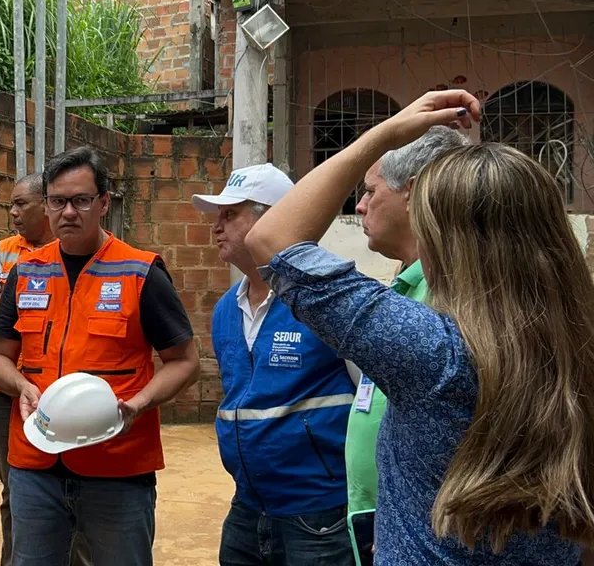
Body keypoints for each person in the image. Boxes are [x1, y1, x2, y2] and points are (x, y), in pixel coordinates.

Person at [245, 89, 594, 564]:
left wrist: (385, 134)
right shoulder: (577, 346)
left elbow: (272, 239)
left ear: (449, 241)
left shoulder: (434, 351)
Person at [0, 146, 199, 566]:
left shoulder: (140, 272)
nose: (68, 212)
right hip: (36, 464)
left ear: (103, 203)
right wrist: (21, 385)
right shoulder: (25, 273)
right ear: (46, 205)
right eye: (57, 201)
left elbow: (185, 361)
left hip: (117, 467)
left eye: (81, 200)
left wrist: (139, 403)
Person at [191, 163, 355, 565]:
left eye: (230, 214)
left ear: (274, 219)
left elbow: (373, 400)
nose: (216, 227)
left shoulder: (322, 299)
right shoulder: (226, 309)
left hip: (319, 513)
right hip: (247, 507)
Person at [346, 126, 467, 563]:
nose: (360, 205)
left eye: (370, 190)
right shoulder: (404, 284)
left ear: (413, 193)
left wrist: (385, 134)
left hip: (420, 533)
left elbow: (275, 241)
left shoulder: (451, 296)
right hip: (385, 523)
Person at [0, 172, 84, 566]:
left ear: (45, 205)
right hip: (10, 392)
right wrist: (28, 299)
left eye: (21, 204)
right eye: (11, 205)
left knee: (78, 487)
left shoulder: (71, 249)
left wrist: (15, 302)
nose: (13, 213)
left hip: (65, 390)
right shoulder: (5, 251)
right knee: (15, 490)